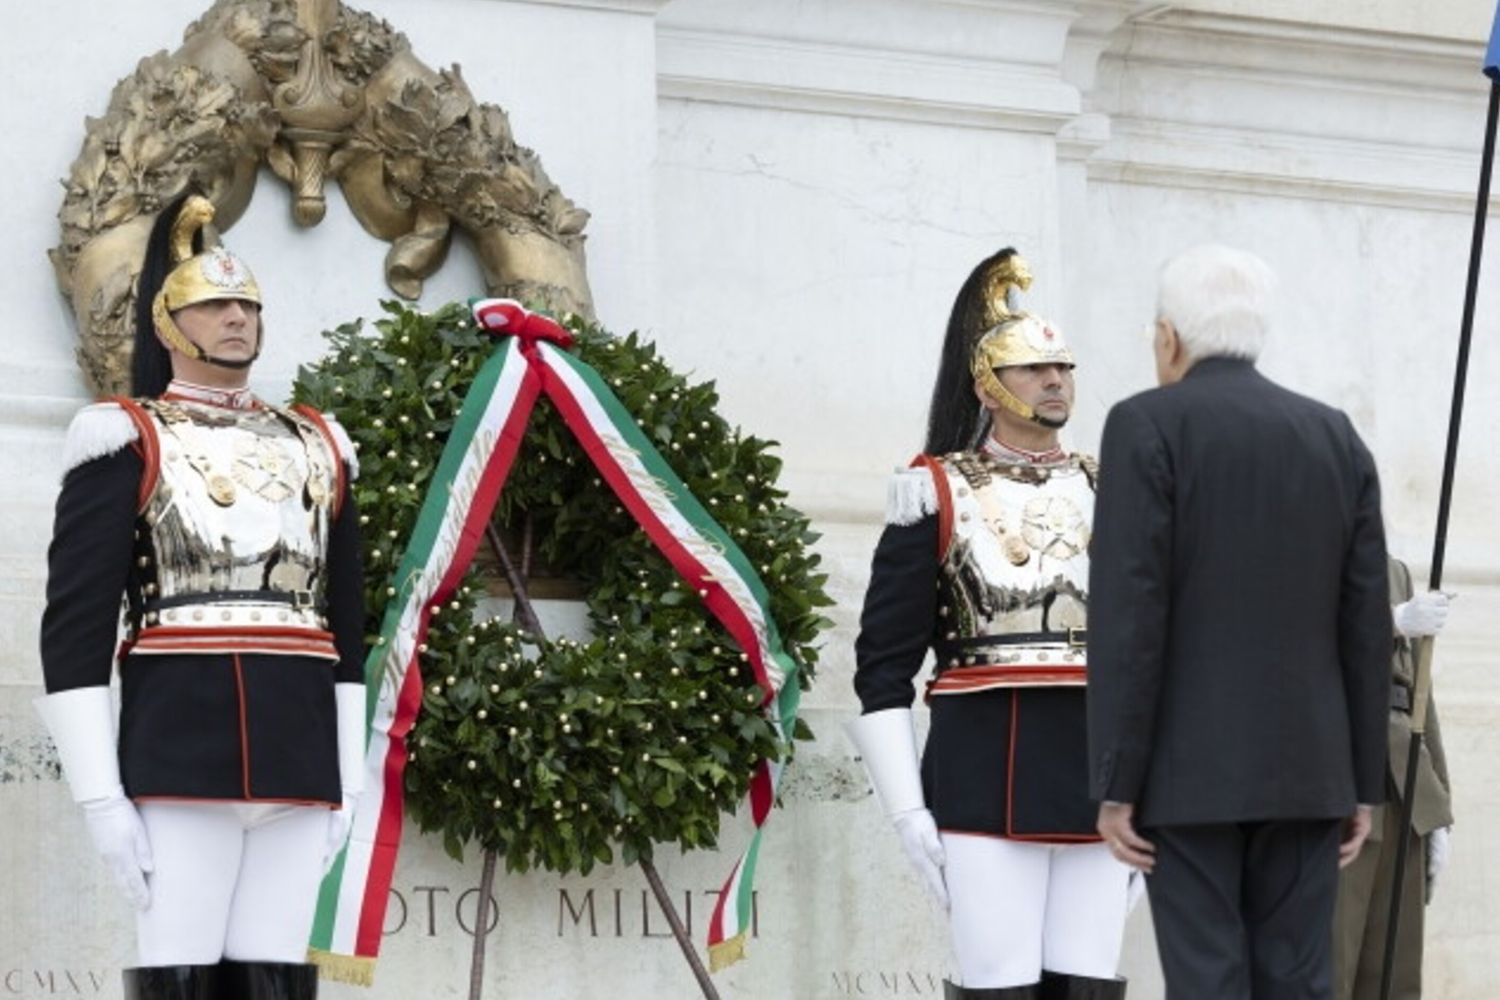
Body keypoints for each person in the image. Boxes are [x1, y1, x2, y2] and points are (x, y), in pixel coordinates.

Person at [34, 192, 366, 999]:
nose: (236, 317)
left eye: (247, 304)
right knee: (178, 969)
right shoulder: (125, 436)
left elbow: (347, 624)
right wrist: (99, 796)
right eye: (214, 304)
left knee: (277, 975)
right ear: (167, 323)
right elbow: (75, 631)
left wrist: (349, 779)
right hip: (182, 748)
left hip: (299, 749)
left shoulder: (317, 444)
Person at [1086, 243, 1392, 1000]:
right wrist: (1362, 782)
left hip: (1187, 773)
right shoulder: (1334, 434)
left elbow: (1131, 615)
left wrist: (1116, 782)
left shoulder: (1144, 424)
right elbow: (1365, 624)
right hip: (1311, 772)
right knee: (1300, 982)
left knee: (1207, 981)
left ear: (1168, 338)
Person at [850, 249, 1131, 1000]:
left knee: (1089, 985)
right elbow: (883, 665)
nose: (1055, 380)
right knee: (999, 984)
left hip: (1105, 771)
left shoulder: (1118, 485)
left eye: (1063, 367)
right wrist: (906, 809)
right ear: (987, 386)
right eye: (1033, 369)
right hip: (986, 768)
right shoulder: (933, 490)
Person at [1333, 559, 1454, 1000]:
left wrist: (1439, 805)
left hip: (1404, 786)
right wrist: (1392, 620)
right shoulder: (1294, 544)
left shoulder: (1393, 570)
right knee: (1329, 967)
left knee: (1392, 976)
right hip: (1336, 777)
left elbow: (1418, 694)